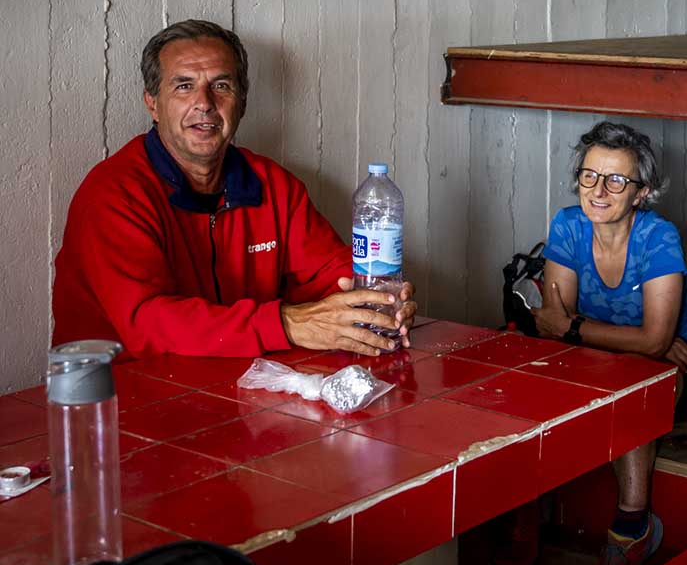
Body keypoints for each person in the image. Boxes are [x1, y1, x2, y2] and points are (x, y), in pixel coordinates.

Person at [52, 19, 417, 358]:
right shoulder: (113, 195)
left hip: (239, 387)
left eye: (221, 86)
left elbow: (332, 275)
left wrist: (378, 302)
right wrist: (286, 324)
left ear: (242, 102)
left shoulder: (274, 186)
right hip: (121, 394)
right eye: (184, 86)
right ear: (153, 103)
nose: (204, 103)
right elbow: (147, 322)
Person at [530, 121, 687, 565]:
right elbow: (553, 326)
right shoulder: (568, 225)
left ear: (642, 192)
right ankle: (524, 507)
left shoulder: (658, 237)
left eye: (617, 181)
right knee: (529, 364)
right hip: (607, 359)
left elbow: (578, 328)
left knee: (635, 382)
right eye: (590, 176)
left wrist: (589, 331)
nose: (598, 191)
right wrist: (639, 341)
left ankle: (632, 529)